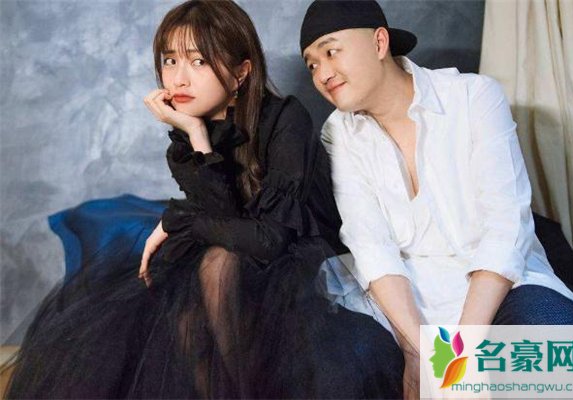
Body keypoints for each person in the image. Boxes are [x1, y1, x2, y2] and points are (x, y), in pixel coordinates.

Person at [6, 1, 404, 398]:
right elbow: (223, 221)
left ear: (240, 72)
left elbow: (269, 240)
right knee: (183, 307)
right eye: (170, 61)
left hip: (296, 256)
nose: (179, 78)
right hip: (237, 255)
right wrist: (196, 136)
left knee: (216, 265)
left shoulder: (285, 117)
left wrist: (178, 220)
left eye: (198, 61)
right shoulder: (185, 140)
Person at [300, 0, 573, 398]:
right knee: (340, 363)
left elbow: (505, 227)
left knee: (554, 339)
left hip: (498, 286)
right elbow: (372, 246)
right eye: (312, 64)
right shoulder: (339, 133)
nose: (322, 74)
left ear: (380, 42)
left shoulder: (474, 97)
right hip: (408, 301)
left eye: (331, 52)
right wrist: (417, 350)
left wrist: (458, 356)